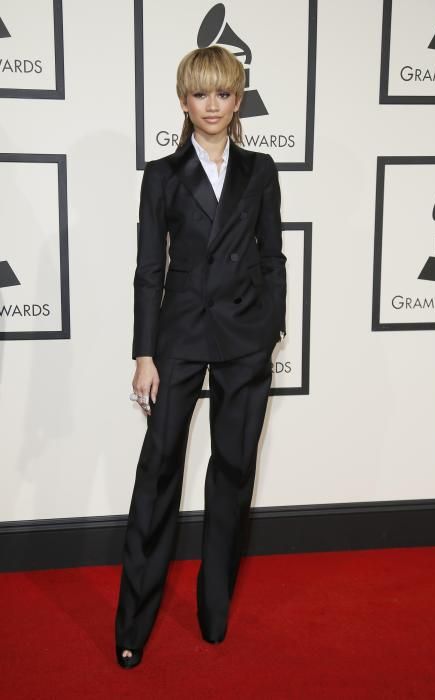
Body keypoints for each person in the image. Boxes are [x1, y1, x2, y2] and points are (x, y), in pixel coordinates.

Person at [114, 45, 287, 669]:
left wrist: (270, 328)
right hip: (180, 340)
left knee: (232, 474)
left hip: (244, 341)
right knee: (158, 474)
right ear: (183, 102)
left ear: (238, 101)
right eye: (200, 94)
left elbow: (272, 256)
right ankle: (134, 623)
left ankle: (213, 613)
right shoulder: (162, 175)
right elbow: (147, 271)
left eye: (223, 94)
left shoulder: (261, 170)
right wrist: (144, 353)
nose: (212, 105)